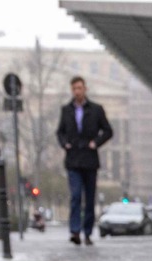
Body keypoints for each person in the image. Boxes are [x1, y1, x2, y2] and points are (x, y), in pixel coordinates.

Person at [56, 76, 113, 246]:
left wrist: (96, 143)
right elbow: (60, 132)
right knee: (75, 196)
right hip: (73, 159)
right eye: (74, 88)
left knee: (89, 198)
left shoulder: (96, 110)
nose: (77, 91)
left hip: (89, 159)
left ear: (85, 89)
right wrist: (64, 143)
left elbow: (108, 131)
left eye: (79, 88)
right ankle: (75, 231)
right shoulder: (66, 110)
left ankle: (87, 232)